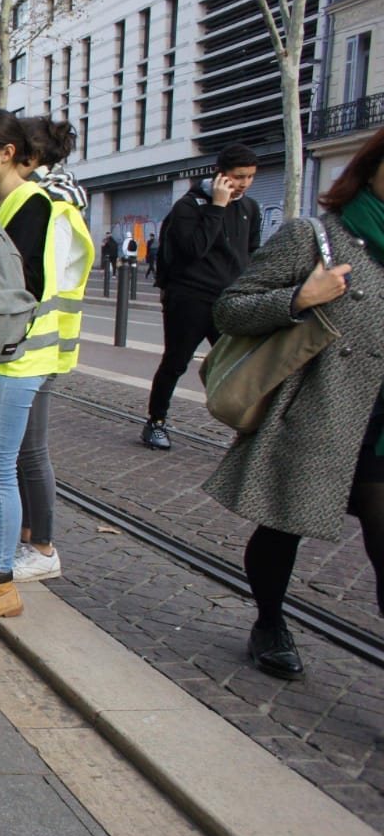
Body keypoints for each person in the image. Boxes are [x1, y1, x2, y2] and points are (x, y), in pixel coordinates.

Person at [202, 126, 384, 681]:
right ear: (370, 168)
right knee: (283, 526)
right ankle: (270, 621)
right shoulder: (315, 237)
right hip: (320, 413)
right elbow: (231, 310)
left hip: (381, 428)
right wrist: (300, 298)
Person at [0, 110, 62, 628]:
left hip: (17, 358)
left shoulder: (31, 203)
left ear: (6, 153)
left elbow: (23, 285)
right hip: (7, 356)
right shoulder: (4, 201)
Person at [14, 117, 94, 585]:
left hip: (39, 346)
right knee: (25, 450)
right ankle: (28, 535)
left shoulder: (51, 206)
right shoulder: (51, 200)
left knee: (31, 450)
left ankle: (43, 545)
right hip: (39, 344)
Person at [143, 143, 262, 450]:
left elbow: (250, 252)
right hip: (189, 298)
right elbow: (194, 249)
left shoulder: (249, 208)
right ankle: (156, 421)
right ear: (221, 175)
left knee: (236, 366)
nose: (244, 184)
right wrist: (217, 207)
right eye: (238, 177)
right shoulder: (190, 206)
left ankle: (244, 429)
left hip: (230, 299)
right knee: (176, 362)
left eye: (250, 176)